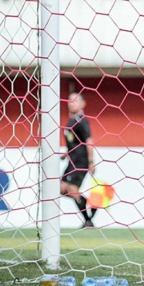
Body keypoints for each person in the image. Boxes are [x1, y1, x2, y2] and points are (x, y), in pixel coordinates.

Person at [62, 92, 97, 228]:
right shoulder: (71, 121)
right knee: (62, 188)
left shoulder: (81, 120)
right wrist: (67, 153)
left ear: (83, 104)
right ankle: (90, 211)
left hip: (80, 161)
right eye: (70, 100)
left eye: (75, 100)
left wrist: (91, 161)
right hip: (72, 160)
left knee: (70, 188)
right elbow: (75, 142)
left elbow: (89, 140)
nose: (72, 103)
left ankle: (88, 220)